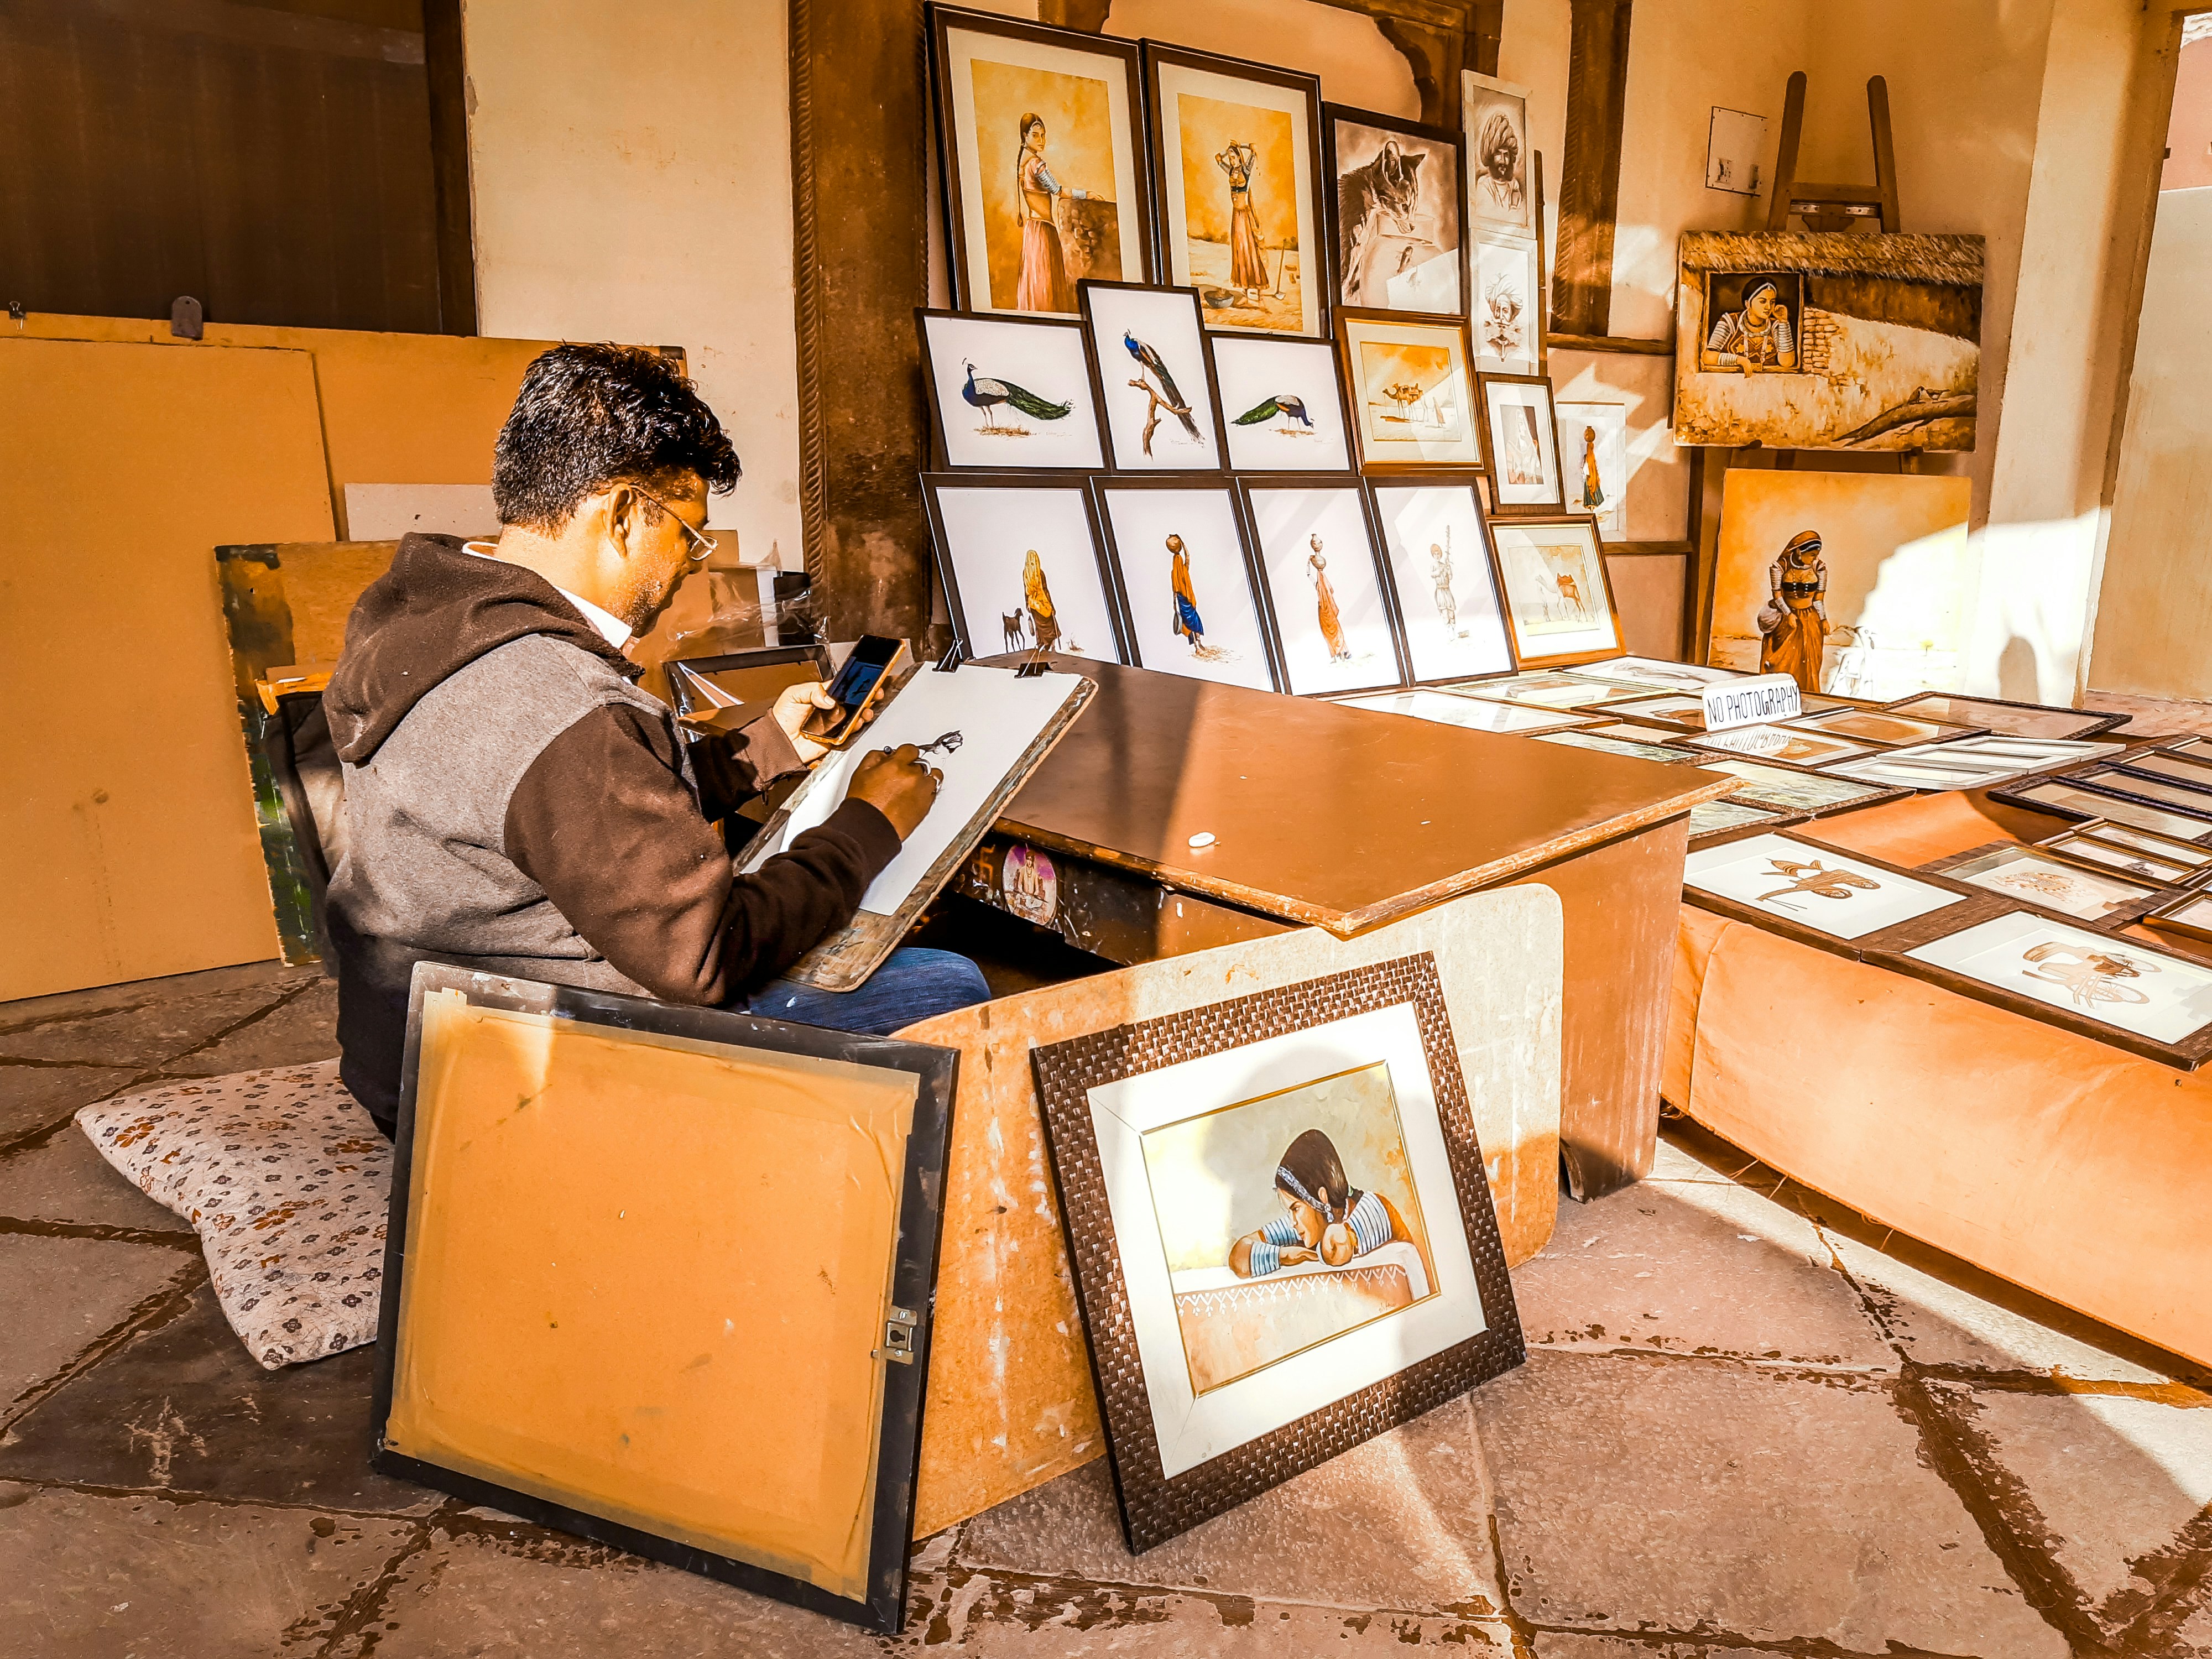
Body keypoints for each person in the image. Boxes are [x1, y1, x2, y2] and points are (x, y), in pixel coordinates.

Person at [322, 343, 988, 1131]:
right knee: (950, 984)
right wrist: (869, 826)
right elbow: (705, 959)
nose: (690, 567)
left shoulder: (429, 624)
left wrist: (765, 749)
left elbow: (562, 818)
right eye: (687, 535)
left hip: (407, 1052)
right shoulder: (560, 700)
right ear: (622, 513)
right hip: (509, 1089)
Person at [1228, 1129, 1423, 1279]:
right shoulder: (1304, 1228)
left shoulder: (1375, 1209)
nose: (1292, 1222)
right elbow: (1239, 1257)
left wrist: (1320, 1252)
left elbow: (1337, 1248)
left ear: (1321, 1198)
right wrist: (1284, 1255)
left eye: (1296, 1209)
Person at [1015, 113, 1082, 313]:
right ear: (1025, 136)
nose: (1042, 141)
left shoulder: (1022, 165)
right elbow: (1058, 190)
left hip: (1032, 229)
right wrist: (1086, 194)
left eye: (1043, 135)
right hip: (1043, 230)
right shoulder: (1036, 164)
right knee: (1045, 280)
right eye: (1036, 135)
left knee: (1035, 278)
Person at [1757, 528, 1828, 693]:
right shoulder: (1780, 567)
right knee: (1781, 663)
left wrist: (1823, 620)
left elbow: (1818, 598)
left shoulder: (1820, 568)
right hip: (1786, 619)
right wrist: (1788, 614)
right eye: (1812, 555)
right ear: (1799, 551)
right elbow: (1777, 595)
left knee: (1809, 665)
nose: (1815, 558)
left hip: (1810, 620)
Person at [1703, 279, 1797, 373]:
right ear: (1748, 304)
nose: (1769, 307)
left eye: (1772, 302)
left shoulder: (1775, 326)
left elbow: (1787, 363)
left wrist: (1784, 322)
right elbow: (1708, 357)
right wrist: (1739, 360)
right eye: (1763, 301)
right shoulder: (1730, 322)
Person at [1217, 141, 1269, 298]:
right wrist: (1228, 152)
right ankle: (1245, 287)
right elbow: (1218, 159)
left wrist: (1244, 147)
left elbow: (1254, 151)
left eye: (1234, 157)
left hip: (1245, 216)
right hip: (1236, 215)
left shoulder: (1246, 170)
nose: (1232, 161)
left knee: (1250, 249)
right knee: (1239, 249)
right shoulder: (1231, 170)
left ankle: (1258, 287)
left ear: (1239, 156)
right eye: (1231, 158)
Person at [1307, 535, 1349, 661]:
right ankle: (1340, 653)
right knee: (1332, 630)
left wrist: (1308, 564)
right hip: (1327, 610)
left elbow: (1310, 577)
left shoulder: (1321, 581)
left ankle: (1341, 653)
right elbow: (1329, 589)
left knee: (1331, 630)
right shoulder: (1322, 581)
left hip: (1326, 610)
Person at [1021, 548, 1061, 653]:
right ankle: (1046, 645)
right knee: (1046, 625)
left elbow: (1026, 591)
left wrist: (1028, 604)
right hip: (1041, 603)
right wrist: (1051, 606)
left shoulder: (1026, 574)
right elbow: (1044, 590)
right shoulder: (1036, 573)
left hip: (1034, 604)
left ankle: (1044, 645)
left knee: (1041, 626)